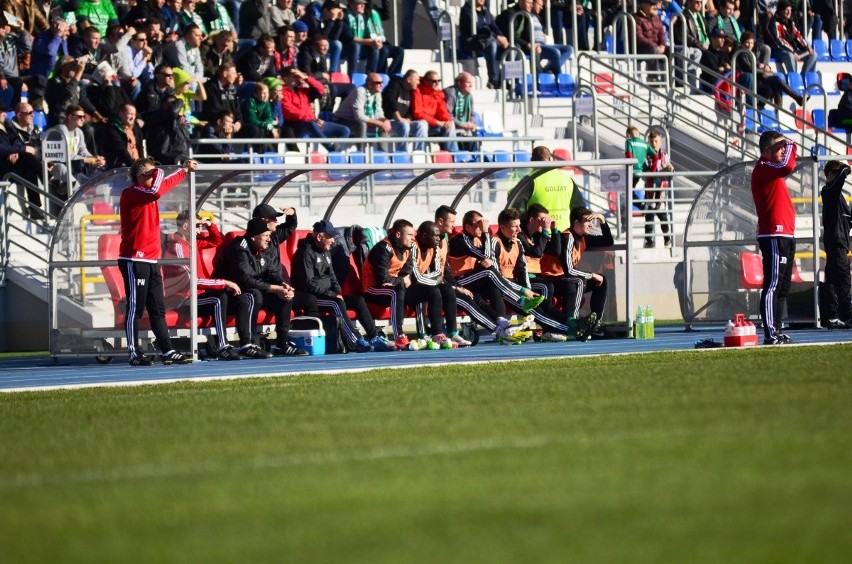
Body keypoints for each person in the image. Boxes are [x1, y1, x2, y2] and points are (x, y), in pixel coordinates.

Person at [118, 157, 197, 366]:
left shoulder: (149, 194)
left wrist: (183, 171)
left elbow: (164, 185)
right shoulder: (132, 193)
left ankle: (167, 350)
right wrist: (157, 172)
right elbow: (157, 190)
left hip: (152, 260)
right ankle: (134, 352)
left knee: (157, 308)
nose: (155, 177)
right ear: (140, 176)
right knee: (135, 307)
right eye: (151, 174)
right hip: (134, 259)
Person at [290, 219, 396, 353]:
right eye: (330, 237)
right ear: (319, 236)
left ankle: (374, 336)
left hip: (328, 294)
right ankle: (355, 340)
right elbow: (308, 284)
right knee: (336, 303)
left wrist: (338, 291)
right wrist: (332, 295)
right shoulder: (305, 253)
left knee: (358, 300)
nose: (333, 240)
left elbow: (332, 276)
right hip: (312, 297)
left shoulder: (326, 251)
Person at [213, 216, 309, 356]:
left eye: (268, 235)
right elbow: (245, 280)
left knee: (285, 297)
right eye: (265, 236)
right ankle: (248, 344)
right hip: (230, 295)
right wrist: (275, 288)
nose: (268, 239)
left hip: (253, 290)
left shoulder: (262, 248)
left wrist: (282, 284)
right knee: (254, 295)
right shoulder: (239, 248)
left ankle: (281, 344)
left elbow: (270, 272)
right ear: (253, 237)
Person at [162, 212, 245, 360]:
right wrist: (224, 282)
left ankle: (224, 344)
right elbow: (191, 280)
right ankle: (222, 346)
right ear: (186, 226)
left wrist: (210, 225)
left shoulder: (191, 242)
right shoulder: (177, 247)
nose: (200, 231)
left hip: (194, 296)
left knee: (223, 297)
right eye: (197, 227)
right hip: (181, 299)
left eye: (200, 227)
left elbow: (216, 241)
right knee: (218, 298)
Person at [362, 218, 445, 349]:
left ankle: (437, 333)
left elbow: (409, 267)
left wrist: (403, 279)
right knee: (397, 291)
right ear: (398, 235)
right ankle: (399, 336)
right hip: (373, 290)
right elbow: (381, 279)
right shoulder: (383, 248)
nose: (414, 238)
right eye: (410, 235)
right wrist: (402, 281)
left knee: (432, 290)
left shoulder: (409, 247)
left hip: (395, 286)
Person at [447, 209, 546, 320]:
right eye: (478, 225)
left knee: (495, 288)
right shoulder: (460, 239)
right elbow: (485, 254)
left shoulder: (477, 239)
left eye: (483, 224)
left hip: (474, 279)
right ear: (468, 227)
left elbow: (485, 257)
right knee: (490, 272)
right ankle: (522, 300)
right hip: (459, 281)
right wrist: (485, 232)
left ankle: (503, 327)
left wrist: (485, 259)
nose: (482, 227)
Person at [751, 130, 798, 345]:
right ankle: (770, 332)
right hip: (773, 234)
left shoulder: (771, 170)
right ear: (767, 150)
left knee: (783, 286)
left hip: (785, 234)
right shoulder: (763, 167)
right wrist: (791, 145)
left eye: (783, 147)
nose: (783, 150)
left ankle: (777, 329)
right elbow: (787, 166)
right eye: (778, 147)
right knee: (773, 284)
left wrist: (785, 144)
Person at [411, 221, 475, 346]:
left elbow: (437, 272)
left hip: (423, 281)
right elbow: (415, 277)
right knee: (430, 290)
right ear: (424, 236)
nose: (439, 238)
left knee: (447, 288)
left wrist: (433, 279)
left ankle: (452, 332)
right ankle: (428, 334)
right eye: (435, 235)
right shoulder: (414, 246)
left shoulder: (433, 247)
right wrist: (433, 280)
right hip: (408, 286)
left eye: (439, 236)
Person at [560, 206, 614, 340]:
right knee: (580, 281)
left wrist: (602, 219)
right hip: (555, 278)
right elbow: (568, 269)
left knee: (601, 281)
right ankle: (574, 325)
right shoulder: (567, 237)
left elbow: (608, 241)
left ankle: (594, 325)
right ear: (576, 223)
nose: (590, 224)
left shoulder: (583, 238)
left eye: (591, 220)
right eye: (587, 221)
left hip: (569, 279)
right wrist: (592, 275)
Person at [510, 145, 585, 231]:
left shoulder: (530, 180)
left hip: (540, 233)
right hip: (565, 232)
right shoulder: (567, 179)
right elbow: (579, 207)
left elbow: (516, 206)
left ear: (532, 160)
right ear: (550, 159)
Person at [279, 66, 349, 148]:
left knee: (344, 130)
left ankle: (337, 152)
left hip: (313, 122)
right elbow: (290, 111)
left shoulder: (302, 90)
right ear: (286, 79)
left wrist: (305, 77)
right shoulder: (282, 92)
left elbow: (320, 89)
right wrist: (312, 119)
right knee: (310, 124)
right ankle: (331, 148)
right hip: (297, 126)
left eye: (297, 75)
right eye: (294, 76)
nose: (297, 77)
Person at [818, 160, 851, 329]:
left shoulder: (837, 196)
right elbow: (843, 174)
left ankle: (831, 315)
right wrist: (845, 170)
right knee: (844, 280)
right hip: (837, 243)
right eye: (836, 174)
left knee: (831, 281)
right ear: (830, 175)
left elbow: (846, 218)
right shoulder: (829, 191)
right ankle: (848, 316)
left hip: (838, 243)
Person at [0, 102, 43, 219]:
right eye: (2, 112)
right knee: (27, 157)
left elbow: (17, 140)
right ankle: (48, 178)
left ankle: (35, 208)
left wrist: (17, 150)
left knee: (29, 168)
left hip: (12, 163)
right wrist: (22, 148)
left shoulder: (7, 125)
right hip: (3, 166)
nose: (5, 114)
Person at [331, 71, 394, 146]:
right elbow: (359, 116)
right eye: (378, 83)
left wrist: (385, 120)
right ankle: (361, 153)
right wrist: (379, 123)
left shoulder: (377, 93)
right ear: (369, 84)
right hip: (342, 121)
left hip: (357, 121)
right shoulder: (360, 91)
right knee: (362, 124)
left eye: (382, 82)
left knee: (384, 126)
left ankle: (383, 154)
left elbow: (379, 113)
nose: (381, 85)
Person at [458, 0, 509, 89]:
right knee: (492, 44)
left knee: (513, 50)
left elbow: (493, 25)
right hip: (472, 41)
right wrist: (497, 37)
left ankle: (503, 79)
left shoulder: (485, 10)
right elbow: (480, 28)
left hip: (486, 40)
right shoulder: (466, 10)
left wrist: (503, 37)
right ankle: (492, 79)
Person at [344, 0, 403, 76]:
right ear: (351, 3)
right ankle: (356, 75)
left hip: (367, 44)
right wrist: (371, 42)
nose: (363, 5)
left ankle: (387, 76)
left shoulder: (363, 16)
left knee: (398, 50)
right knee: (358, 46)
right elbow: (348, 37)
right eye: (360, 4)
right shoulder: (345, 14)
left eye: (364, 3)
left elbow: (386, 15)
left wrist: (375, 43)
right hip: (349, 47)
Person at [766, 1, 816, 79]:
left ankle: (803, 78)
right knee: (790, 55)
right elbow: (779, 41)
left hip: (791, 50)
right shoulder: (774, 23)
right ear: (781, 10)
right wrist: (792, 52)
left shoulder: (790, 22)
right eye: (787, 10)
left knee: (813, 55)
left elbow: (797, 35)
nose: (789, 12)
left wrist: (806, 47)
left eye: (790, 10)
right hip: (778, 51)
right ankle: (794, 79)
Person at [641, 131, 674, 248]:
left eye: (656, 141)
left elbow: (666, 168)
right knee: (649, 216)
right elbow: (644, 171)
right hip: (650, 190)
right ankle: (649, 241)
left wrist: (668, 168)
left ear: (660, 142)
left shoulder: (664, 155)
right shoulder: (646, 156)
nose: (654, 144)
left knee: (662, 216)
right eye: (651, 141)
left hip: (660, 191)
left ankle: (667, 238)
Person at [411, 70, 458, 153]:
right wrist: (438, 122)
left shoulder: (438, 93)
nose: (437, 83)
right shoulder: (417, 91)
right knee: (423, 124)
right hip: (417, 124)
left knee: (450, 124)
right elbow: (417, 113)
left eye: (439, 81)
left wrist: (448, 121)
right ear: (426, 81)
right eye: (434, 81)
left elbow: (443, 112)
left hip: (432, 125)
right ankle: (419, 155)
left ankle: (453, 155)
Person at [381, 69, 428, 151]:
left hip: (402, 123)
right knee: (404, 125)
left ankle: (419, 153)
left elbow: (410, 111)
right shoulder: (394, 85)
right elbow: (390, 101)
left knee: (422, 124)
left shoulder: (410, 92)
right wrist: (399, 118)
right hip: (388, 122)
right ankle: (402, 154)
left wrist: (408, 119)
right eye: (417, 80)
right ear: (409, 79)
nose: (418, 82)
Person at [101, 102, 144, 170]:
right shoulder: (112, 128)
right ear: (121, 114)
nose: (132, 117)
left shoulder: (136, 127)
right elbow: (120, 149)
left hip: (138, 167)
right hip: (120, 168)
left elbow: (140, 146)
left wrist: (143, 164)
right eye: (130, 114)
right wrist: (134, 168)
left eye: (134, 114)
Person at [633, 0, 667, 83]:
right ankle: (653, 78)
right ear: (643, 5)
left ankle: (674, 80)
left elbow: (662, 34)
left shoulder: (656, 18)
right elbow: (639, 38)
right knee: (653, 50)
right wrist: (655, 46)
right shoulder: (636, 19)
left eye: (656, 4)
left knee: (674, 51)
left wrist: (663, 45)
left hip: (656, 46)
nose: (656, 7)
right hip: (641, 49)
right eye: (652, 4)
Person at [443, 71, 478, 152]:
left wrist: (472, 124)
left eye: (472, 83)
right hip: (451, 125)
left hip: (464, 126)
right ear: (459, 82)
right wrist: (461, 124)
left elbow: (472, 114)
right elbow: (447, 114)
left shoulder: (469, 96)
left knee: (474, 130)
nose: (471, 85)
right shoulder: (451, 93)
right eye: (468, 82)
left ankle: (474, 158)